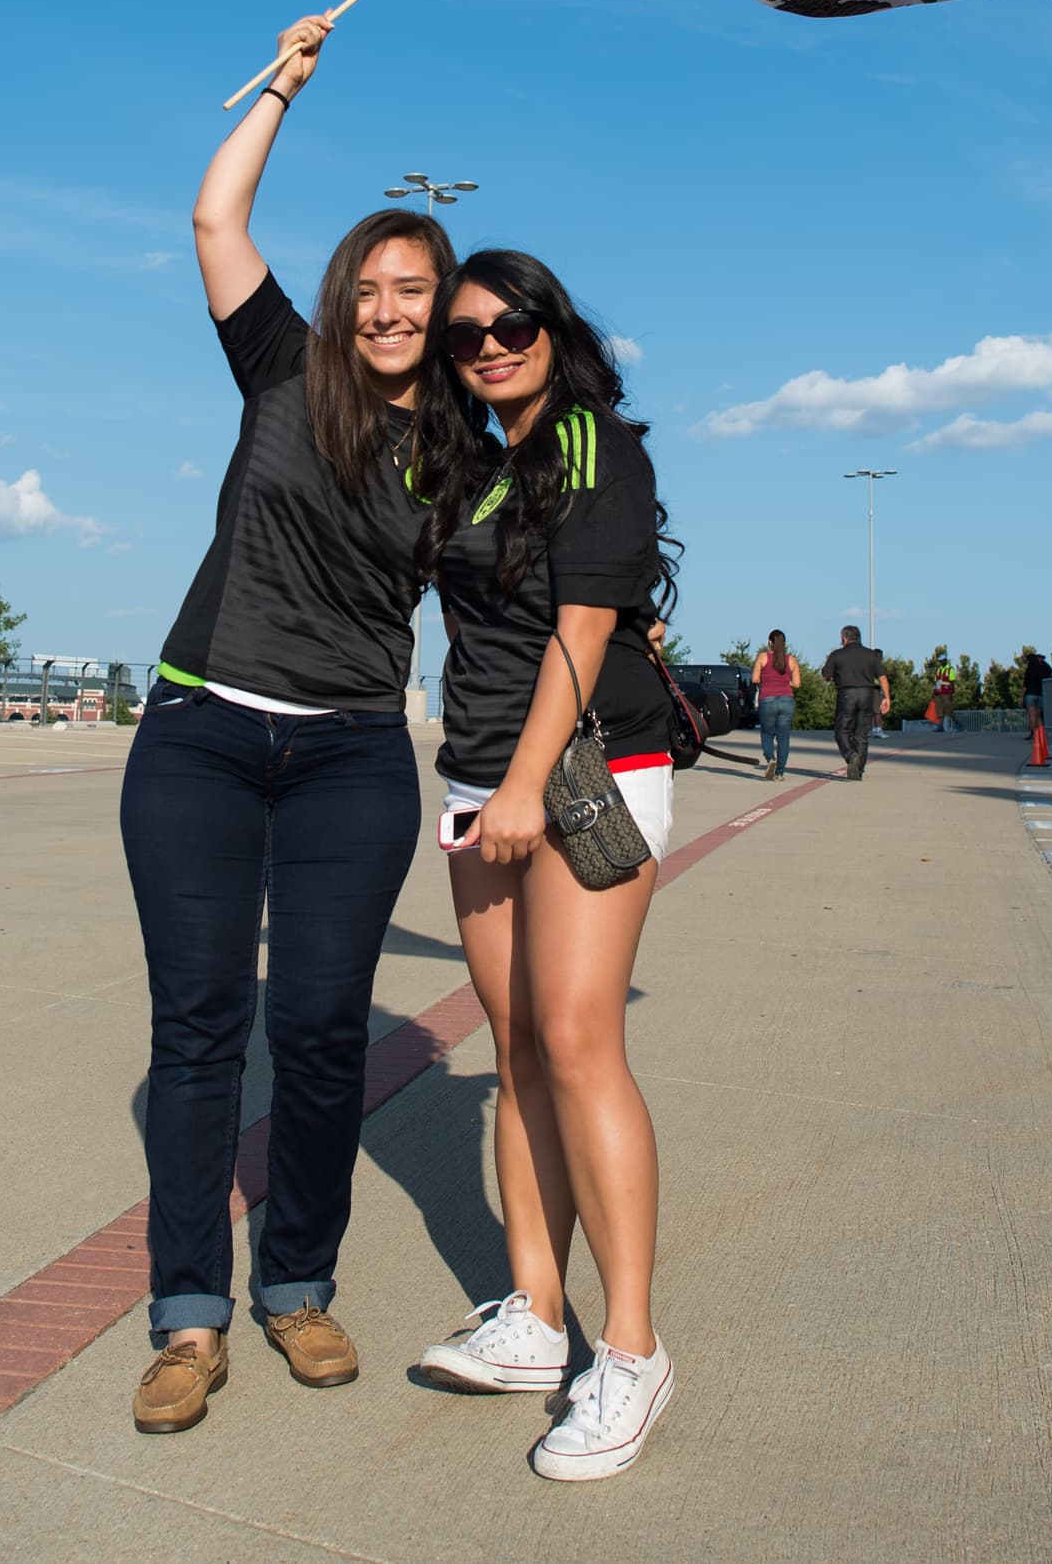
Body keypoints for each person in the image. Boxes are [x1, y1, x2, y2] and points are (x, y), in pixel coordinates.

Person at [120, 15, 456, 1435]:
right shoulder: (281, 365)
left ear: (446, 310)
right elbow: (213, 211)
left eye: (415, 291)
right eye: (371, 287)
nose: (388, 310)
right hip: (200, 732)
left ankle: (298, 1283)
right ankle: (189, 1313)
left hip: (350, 756)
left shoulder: (460, 445)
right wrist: (282, 87)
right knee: (201, 1029)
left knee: (318, 1029)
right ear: (344, 295)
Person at [414, 250, 678, 1483]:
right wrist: (482, 785)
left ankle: (627, 1348)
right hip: (480, 779)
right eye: (462, 337)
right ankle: (534, 1312)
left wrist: (524, 786)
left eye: (509, 324)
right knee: (514, 1043)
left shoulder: (589, 440)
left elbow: (579, 627)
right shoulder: (473, 466)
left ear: (549, 326)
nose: (487, 346)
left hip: (581, 774)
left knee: (577, 1043)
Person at [822, 628, 890, 780]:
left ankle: (850, 754)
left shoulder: (837, 654)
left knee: (842, 730)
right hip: (867, 694)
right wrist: (886, 697)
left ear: (844, 639)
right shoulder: (871, 655)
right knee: (861, 733)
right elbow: (883, 677)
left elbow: (826, 675)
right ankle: (858, 770)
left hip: (847, 694)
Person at [751, 630, 801, 780]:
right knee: (783, 737)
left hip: (767, 699)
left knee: (767, 733)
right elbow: (797, 684)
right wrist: (785, 682)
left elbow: (754, 679)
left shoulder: (763, 657)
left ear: (770, 642)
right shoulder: (790, 660)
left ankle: (770, 758)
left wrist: (767, 680)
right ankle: (780, 773)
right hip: (787, 700)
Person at [1023, 650, 1052, 738]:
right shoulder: (1042, 669)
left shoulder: (1029, 670)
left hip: (1030, 694)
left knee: (1031, 715)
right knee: (1039, 716)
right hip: (1040, 694)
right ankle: (1041, 734)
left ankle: (1034, 734)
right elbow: (1050, 671)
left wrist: (1022, 697)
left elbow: (1025, 685)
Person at [932, 647, 957, 730]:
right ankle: (940, 726)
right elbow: (936, 682)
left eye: (942, 660)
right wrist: (933, 693)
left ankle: (957, 724)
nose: (940, 662)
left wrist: (951, 693)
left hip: (946, 692)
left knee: (948, 710)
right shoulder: (939, 670)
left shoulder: (950, 670)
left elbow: (952, 682)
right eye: (940, 661)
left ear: (945, 660)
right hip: (938, 692)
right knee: (939, 710)